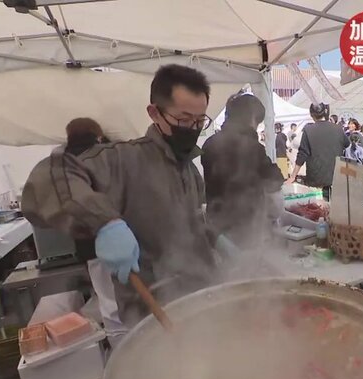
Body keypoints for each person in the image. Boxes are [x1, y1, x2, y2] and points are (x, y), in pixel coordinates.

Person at [22, 64, 218, 334]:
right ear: (154, 112)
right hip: (151, 315)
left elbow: (191, 224)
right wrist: (104, 222)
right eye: (184, 120)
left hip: (201, 302)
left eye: (199, 122)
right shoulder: (121, 160)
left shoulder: (190, 169)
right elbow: (49, 178)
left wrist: (216, 237)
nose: (192, 129)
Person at [62, 118, 125, 340]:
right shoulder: (107, 156)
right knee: (130, 296)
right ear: (97, 134)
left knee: (107, 301)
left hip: (89, 245)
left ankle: (119, 348)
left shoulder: (61, 164)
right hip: (120, 238)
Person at [202, 93, 284, 245]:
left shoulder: (209, 144)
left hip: (215, 226)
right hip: (245, 229)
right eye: (257, 122)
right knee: (246, 265)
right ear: (251, 119)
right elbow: (274, 180)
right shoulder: (252, 147)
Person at [286, 103, 348, 200]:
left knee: (318, 209)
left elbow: (303, 154)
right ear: (325, 113)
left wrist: (293, 176)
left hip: (316, 178)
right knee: (334, 210)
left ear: (311, 114)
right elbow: (347, 144)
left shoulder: (308, 130)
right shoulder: (338, 128)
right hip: (336, 177)